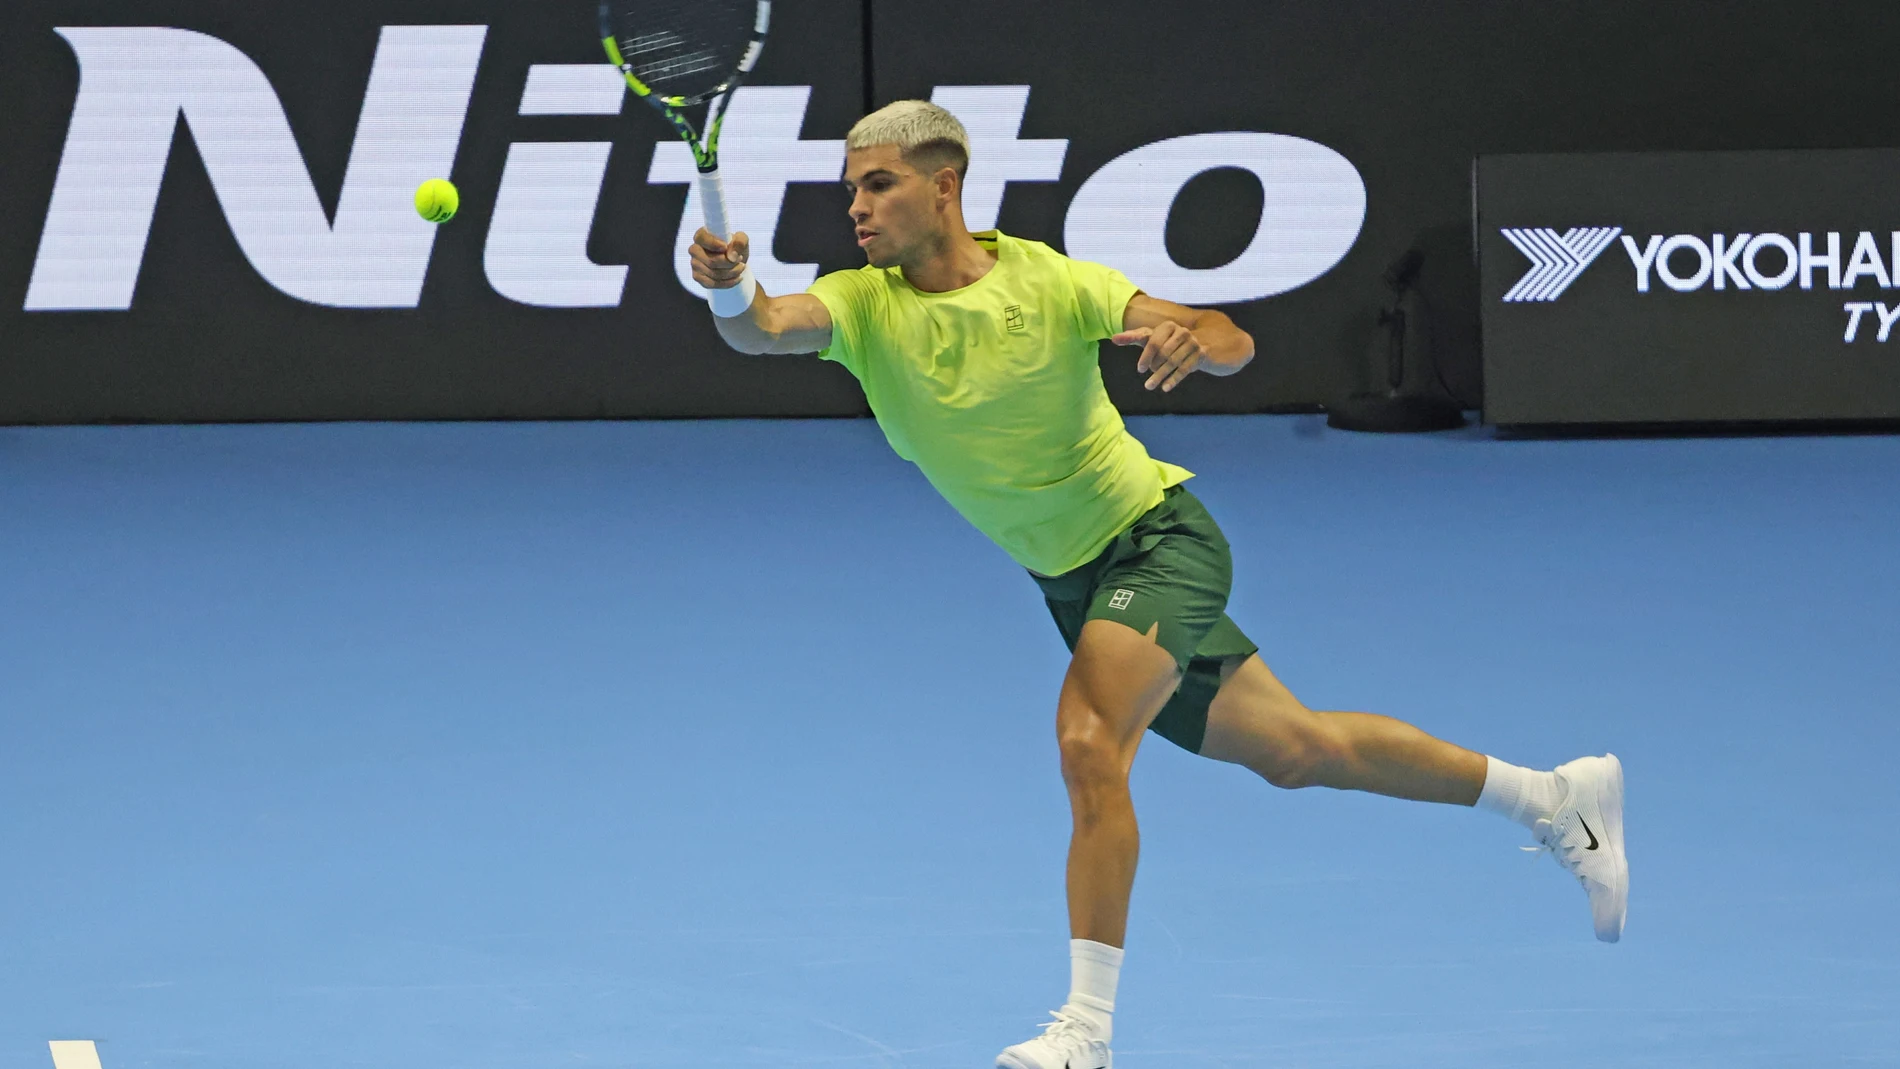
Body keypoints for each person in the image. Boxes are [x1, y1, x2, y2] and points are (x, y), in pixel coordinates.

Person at [686, 100, 1627, 1069]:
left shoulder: (1051, 284)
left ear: (944, 185)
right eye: (850, 190)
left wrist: (1197, 339)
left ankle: (1083, 1033)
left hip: (1155, 543)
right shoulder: (864, 305)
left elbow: (1225, 335)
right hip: (1072, 581)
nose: (857, 208)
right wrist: (727, 289)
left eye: (876, 184)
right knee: (1298, 750)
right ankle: (1553, 798)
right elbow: (763, 328)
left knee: (1090, 743)